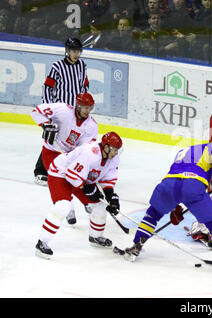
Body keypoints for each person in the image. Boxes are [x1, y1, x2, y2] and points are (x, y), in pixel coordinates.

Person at [122, 143, 212, 275]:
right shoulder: (209, 147)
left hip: (168, 184)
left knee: (153, 214)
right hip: (193, 184)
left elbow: (178, 181)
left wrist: (175, 206)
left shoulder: (183, 151)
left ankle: (135, 247)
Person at [35, 132, 123, 259]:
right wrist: (87, 189)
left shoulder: (113, 159)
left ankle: (96, 237)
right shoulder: (90, 153)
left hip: (79, 177)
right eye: (114, 149)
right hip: (60, 173)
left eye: (117, 150)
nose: (115, 153)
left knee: (100, 205)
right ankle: (42, 242)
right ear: (106, 146)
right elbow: (71, 176)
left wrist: (111, 197)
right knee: (63, 206)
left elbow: (107, 180)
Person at [31, 92, 98, 225]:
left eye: (90, 107)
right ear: (77, 105)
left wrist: (76, 159)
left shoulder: (92, 126)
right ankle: (69, 208)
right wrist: (46, 125)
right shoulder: (62, 109)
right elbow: (36, 111)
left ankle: (88, 204)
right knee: (60, 181)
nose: (88, 111)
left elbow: (85, 149)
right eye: (85, 107)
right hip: (51, 152)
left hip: (69, 156)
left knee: (74, 179)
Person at [35, 37, 90, 186]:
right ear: (67, 51)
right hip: (60, 111)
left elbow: (85, 84)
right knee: (51, 139)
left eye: (78, 51)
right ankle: (40, 171)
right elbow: (48, 86)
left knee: (71, 141)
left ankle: (68, 169)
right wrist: (48, 108)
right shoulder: (57, 66)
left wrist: (83, 104)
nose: (75, 53)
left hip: (76, 112)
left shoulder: (82, 66)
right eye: (73, 50)